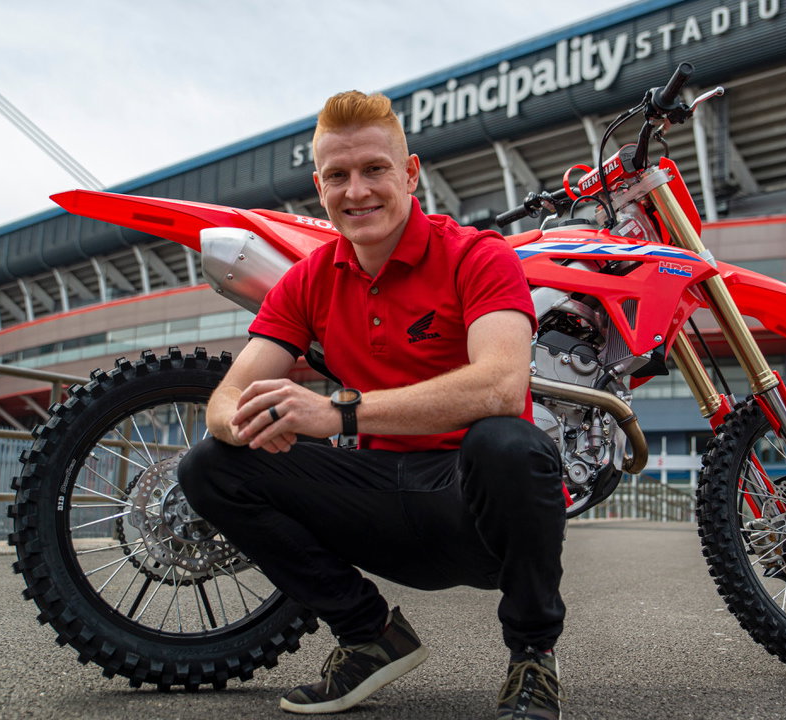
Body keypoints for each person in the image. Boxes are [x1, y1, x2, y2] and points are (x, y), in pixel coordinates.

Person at [178, 90, 566, 719]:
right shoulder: (308, 279)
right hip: (376, 501)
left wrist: (338, 414)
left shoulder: (478, 254)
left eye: (374, 169)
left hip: (470, 507)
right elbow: (226, 397)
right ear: (319, 187)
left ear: (409, 174)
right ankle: (370, 638)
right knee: (209, 465)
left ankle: (532, 657)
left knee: (508, 443)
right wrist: (248, 421)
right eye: (338, 176)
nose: (356, 191)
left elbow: (500, 386)